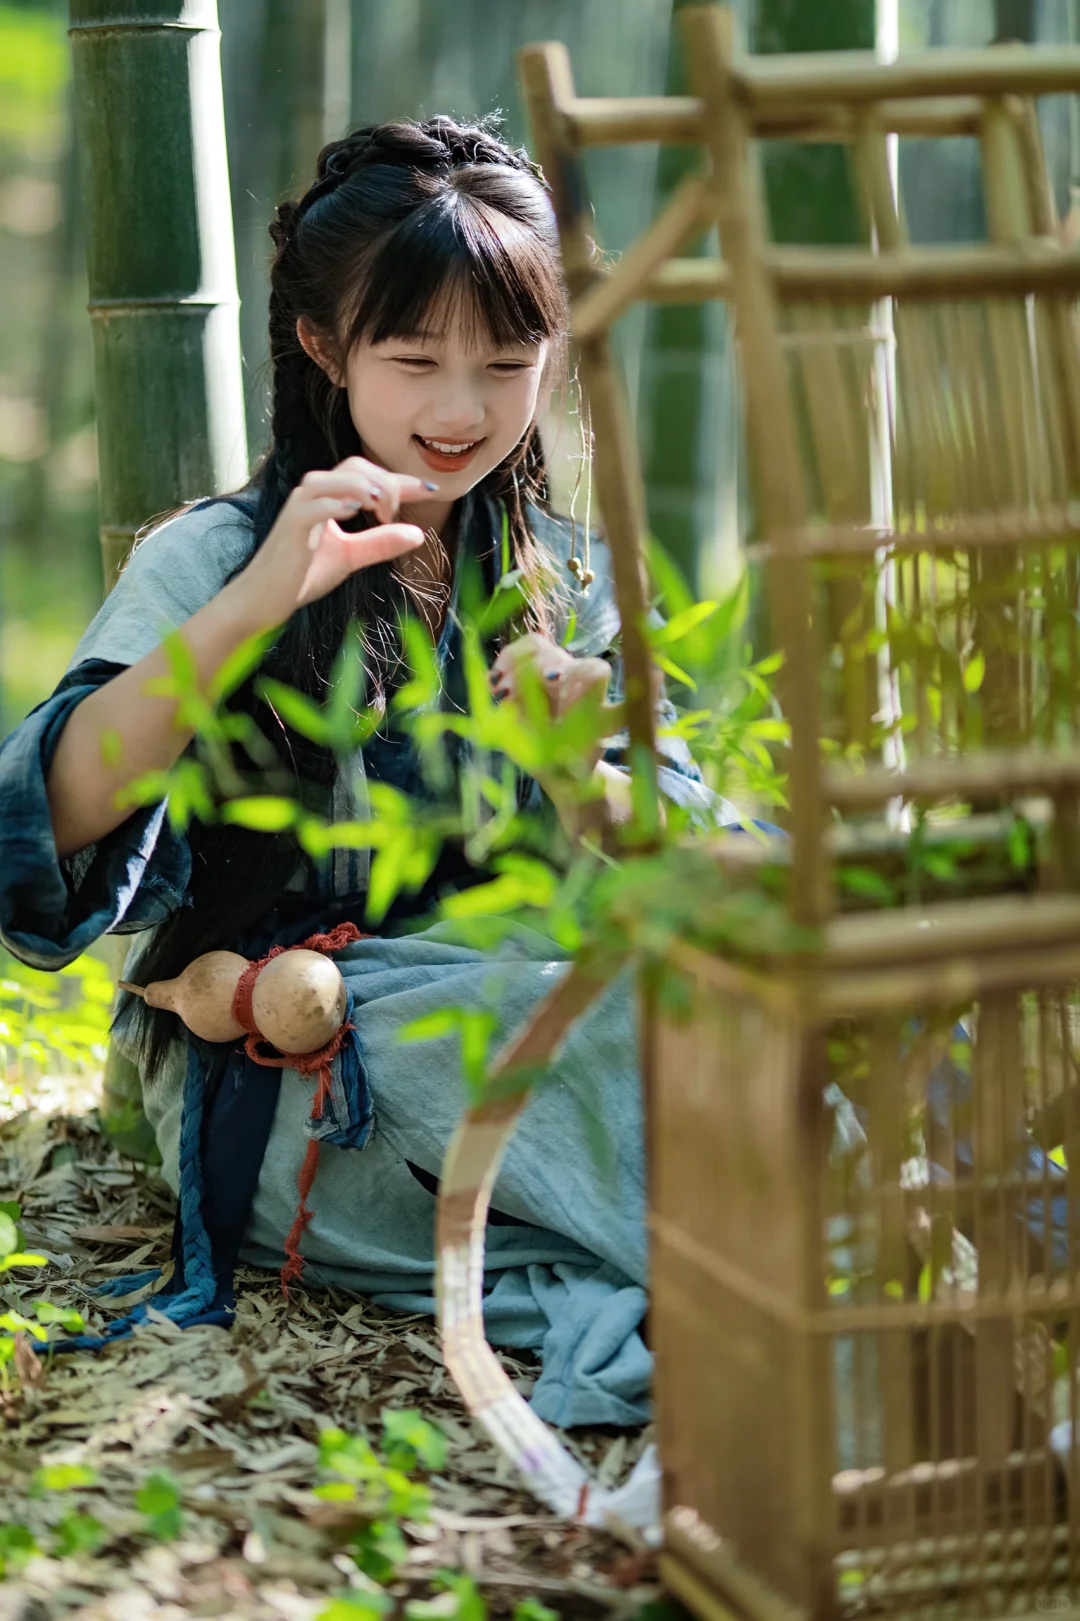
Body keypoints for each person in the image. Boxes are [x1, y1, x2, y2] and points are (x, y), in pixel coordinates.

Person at [0, 117, 726, 1428]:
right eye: (415, 360)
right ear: (323, 346)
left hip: (533, 998)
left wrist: (584, 785)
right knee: (587, 1050)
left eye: (508, 364)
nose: (461, 411)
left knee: (749, 994)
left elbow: (698, 871)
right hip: (313, 1062)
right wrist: (255, 603)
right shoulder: (211, 559)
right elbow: (49, 821)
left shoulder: (574, 579)